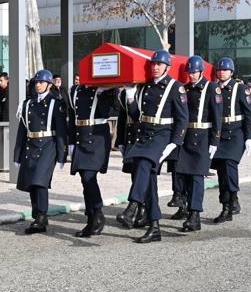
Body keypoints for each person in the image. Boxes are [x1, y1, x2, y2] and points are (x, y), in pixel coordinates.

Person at [115, 50, 188, 243]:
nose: (155, 67)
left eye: (159, 64)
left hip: (162, 136)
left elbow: (182, 118)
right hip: (144, 134)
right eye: (153, 64)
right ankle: (154, 226)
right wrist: (130, 96)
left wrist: (175, 142)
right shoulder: (144, 87)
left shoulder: (175, 87)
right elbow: (135, 114)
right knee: (148, 180)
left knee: (145, 165)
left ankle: (132, 207)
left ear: (167, 67)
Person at [170, 56, 222, 232]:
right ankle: (183, 204)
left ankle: (195, 215)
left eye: (194, 72)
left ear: (201, 71)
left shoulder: (211, 88)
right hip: (185, 136)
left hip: (203, 137)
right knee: (181, 173)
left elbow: (217, 117)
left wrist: (215, 140)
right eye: (189, 72)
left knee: (197, 178)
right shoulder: (184, 88)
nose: (191, 75)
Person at [13, 70, 67, 234]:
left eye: (41, 82)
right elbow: (22, 130)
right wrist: (17, 154)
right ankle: (37, 216)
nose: (38, 85)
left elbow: (61, 131)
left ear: (49, 85)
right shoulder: (28, 104)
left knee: (39, 181)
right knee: (30, 182)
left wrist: (62, 154)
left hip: (47, 145)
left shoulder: (56, 103)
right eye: (36, 82)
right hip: (31, 144)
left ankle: (41, 215)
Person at [67, 81, 115, 237]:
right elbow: (72, 116)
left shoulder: (105, 90)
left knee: (89, 177)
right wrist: (72, 142)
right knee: (84, 179)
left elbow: (107, 111)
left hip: (97, 136)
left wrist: (103, 92)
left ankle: (97, 212)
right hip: (81, 137)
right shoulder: (74, 90)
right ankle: (92, 216)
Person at [211, 58, 251, 224]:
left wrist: (249, 137)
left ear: (231, 72)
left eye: (225, 70)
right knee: (222, 170)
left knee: (229, 165)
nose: (221, 72)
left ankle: (228, 207)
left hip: (236, 134)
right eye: (219, 70)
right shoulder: (213, 88)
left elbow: (250, 114)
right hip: (219, 134)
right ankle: (231, 199)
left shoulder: (241, 88)